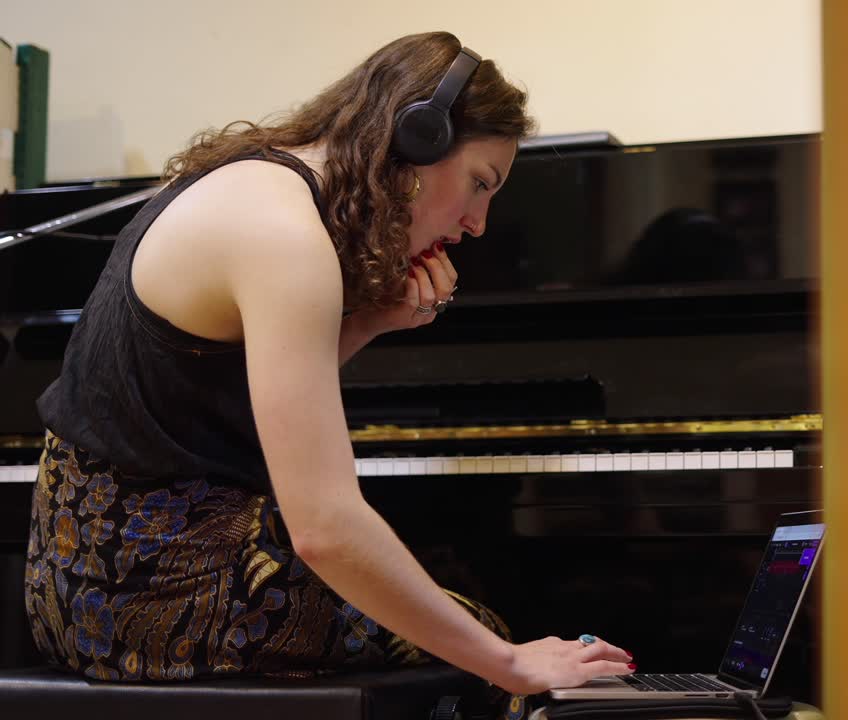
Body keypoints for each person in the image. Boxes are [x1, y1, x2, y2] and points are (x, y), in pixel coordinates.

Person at [22, 31, 634, 710]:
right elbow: (325, 529)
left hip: (76, 592)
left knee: (444, 603)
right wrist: (510, 663)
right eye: (479, 185)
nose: (479, 223)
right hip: (155, 609)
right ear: (417, 140)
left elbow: (218, 405)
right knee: (483, 637)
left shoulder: (254, 184)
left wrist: (370, 321)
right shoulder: (287, 239)